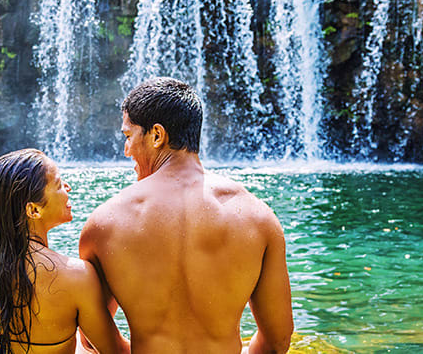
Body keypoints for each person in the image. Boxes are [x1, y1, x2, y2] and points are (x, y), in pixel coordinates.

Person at [79, 77, 295, 353]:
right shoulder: (258, 218)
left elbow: (91, 339)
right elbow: (278, 340)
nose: (126, 150)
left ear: (157, 135)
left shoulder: (105, 222)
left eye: (128, 136)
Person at [0, 149, 131, 354]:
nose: (68, 187)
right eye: (59, 185)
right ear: (34, 210)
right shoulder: (76, 276)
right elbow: (117, 352)